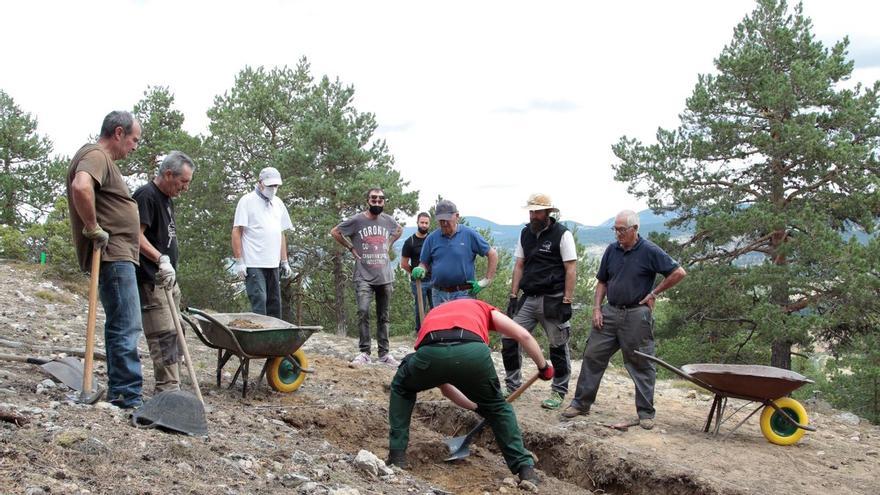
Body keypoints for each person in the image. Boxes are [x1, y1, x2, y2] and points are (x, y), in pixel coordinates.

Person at [386, 298, 553, 485]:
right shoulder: (483, 308)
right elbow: (524, 336)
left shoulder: (435, 313)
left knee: (402, 387)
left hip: (430, 355)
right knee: (498, 408)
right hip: (473, 355)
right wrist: (543, 366)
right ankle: (525, 470)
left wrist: (476, 407)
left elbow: (444, 386)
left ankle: (397, 456)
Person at [561, 210, 687, 430]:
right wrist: (597, 309)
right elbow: (602, 282)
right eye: (615, 229)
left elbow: (678, 272)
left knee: (641, 362)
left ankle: (645, 413)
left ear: (635, 229)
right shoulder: (611, 250)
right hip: (609, 312)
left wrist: (654, 293)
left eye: (622, 230)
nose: (618, 234)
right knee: (593, 356)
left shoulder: (649, 250)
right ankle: (581, 404)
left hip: (636, 315)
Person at [66, 110, 144, 409]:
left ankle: (123, 390)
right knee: (126, 324)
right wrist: (92, 227)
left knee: (123, 323)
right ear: (119, 133)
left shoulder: (103, 160)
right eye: (134, 139)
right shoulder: (95, 154)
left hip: (118, 255)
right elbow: (81, 186)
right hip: (113, 256)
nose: (135, 147)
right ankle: (127, 394)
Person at [503, 193, 577, 410]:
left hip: (553, 299)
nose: (533, 215)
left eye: (537, 211)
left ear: (548, 213)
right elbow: (519, 265)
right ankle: (512, 385)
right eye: (531, 211)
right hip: (529, 297)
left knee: (557, 344)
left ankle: (558, 391)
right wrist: (513, 296)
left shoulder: (562, 235)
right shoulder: (525, 233)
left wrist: (567, 301)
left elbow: (570, 268)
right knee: (509, 337)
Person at [133, 151, 195, 393]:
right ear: (168, 174)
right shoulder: (146, 196)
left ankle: (174, 384)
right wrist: (160, 259)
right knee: (164, 335)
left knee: (178, 331)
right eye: (183, 182)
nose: (185, 188)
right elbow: (135, 236)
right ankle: (167, 390)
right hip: (151, 279)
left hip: (168, 280)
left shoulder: (167, 198)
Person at [330, 188, 403, 366]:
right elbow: (335, 232)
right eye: (374, 198)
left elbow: (399, 230)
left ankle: (384, 354)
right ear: (367, 200)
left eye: (380, 199)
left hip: (385, 275)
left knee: (384, 316)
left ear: (384, 201)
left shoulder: (388, 220)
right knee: (363, 311)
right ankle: (364, 352)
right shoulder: (357, 220)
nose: (377, 202)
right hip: (363, 275)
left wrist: (389, 243)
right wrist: (350, 248)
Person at [231, 167, 293, 319]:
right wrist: (239, 261)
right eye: (270, 185)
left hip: (273, 263)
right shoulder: (247, 201)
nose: (273, 189)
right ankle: (259, 339)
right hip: (254, 262)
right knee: (260, 300)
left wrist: (284, 261)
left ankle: (273, 339)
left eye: (275, 186)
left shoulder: (278, 203)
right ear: (260, 183)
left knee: (274, 303)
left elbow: (280, 233)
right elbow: (236, 231)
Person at [411, 200, 498, 305]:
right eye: (441, 220)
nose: (444, 223)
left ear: (457, 216)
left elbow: (492, 254)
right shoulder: (431, 238)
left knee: (463, 322)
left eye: (447, 219)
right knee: (441, 322)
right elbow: (424, 263)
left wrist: (485, 281)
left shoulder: (469, 234)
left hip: (464, 293)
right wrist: (420, 269)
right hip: (439, 294)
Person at [400, 212, 434, 330]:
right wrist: (415, 273)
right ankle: (420, 334)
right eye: (422, 222)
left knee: (436, 308)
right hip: (419, 282)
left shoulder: (432, 239)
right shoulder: (410, 242)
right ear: (417, 223)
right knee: (420, 309)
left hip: (434, 280)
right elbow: (403, 264)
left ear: (429, 224)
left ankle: (437, 334)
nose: (424, 225)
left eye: (426, 223)